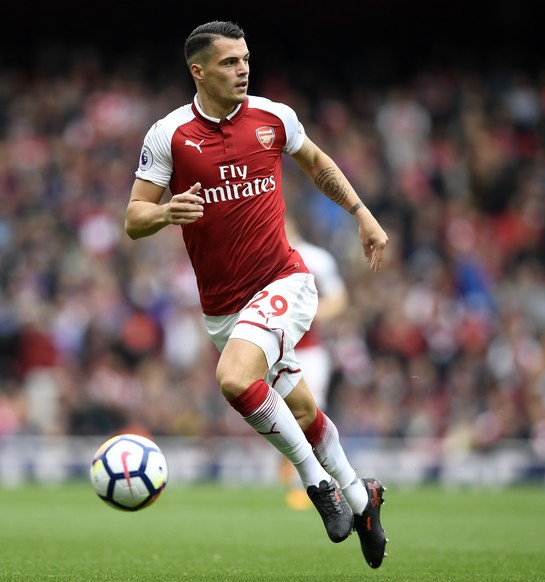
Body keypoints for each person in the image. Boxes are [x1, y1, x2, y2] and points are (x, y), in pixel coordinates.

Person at [124, 20, 389, 569]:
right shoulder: (168, 134)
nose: (243, 68)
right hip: (222, 307)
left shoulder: (274, 117)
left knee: (233, 379)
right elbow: (133, 217)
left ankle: (318, 487)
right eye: (228, 62)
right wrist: (165, 213)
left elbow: (316, 162)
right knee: (301, 408)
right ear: (197, 70)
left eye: (245, 59)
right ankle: (363, 501)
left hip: (284, 282)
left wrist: (362, 215)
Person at [280, 216, 349, 509]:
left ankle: (313, 481)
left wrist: (309, 314)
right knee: (278, 413)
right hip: (275, 350)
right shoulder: (261, 257)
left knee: (311, 411)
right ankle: (296, 476)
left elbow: (339, 299)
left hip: (308, 352)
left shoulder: (316, 259)